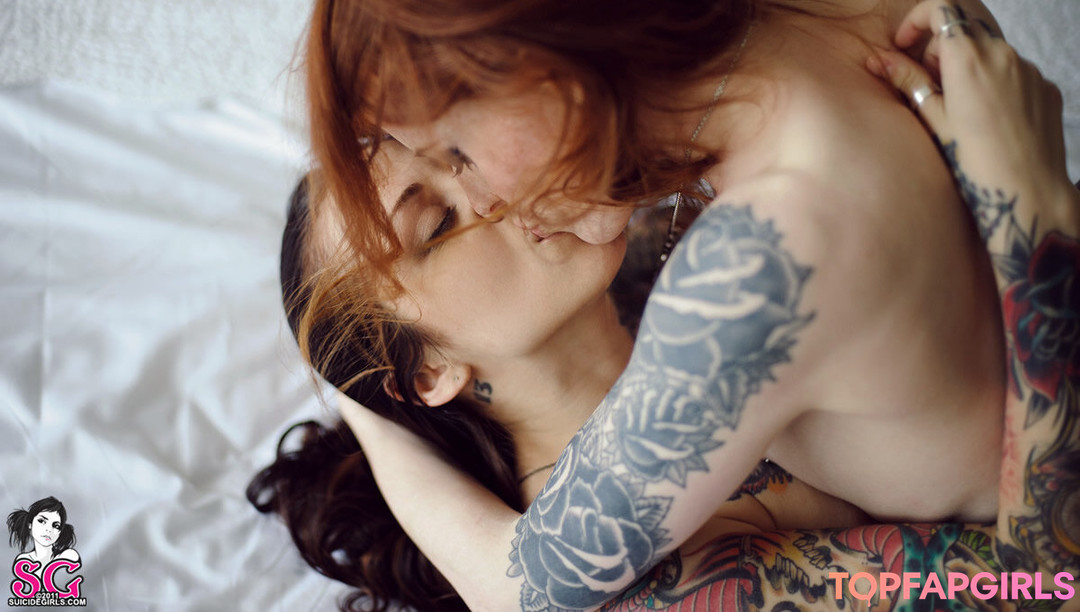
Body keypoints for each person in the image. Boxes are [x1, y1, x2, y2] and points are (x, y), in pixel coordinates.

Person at [302, 0, 1080, 608]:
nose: (489, 199)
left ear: (537, 67)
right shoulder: (829, 27)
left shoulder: (746, 267)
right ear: (424, 373)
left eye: (459, 150)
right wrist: (1040, 216)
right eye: (438, 221)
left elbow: (517, 590)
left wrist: (1047, 226)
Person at [7, 496, 80, 580]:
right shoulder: (23, 560)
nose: (49, 529)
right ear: (30, 524)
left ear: (59, 532)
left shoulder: (68, 556)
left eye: (56, 526)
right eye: (41, 521)